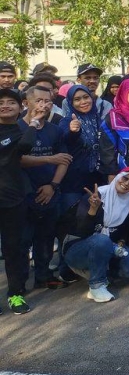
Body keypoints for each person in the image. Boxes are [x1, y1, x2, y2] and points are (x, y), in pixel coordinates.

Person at [63, 170, 129, 302]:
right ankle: (96, 286)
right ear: (118, 177)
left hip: (109, 247)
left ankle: (101, 272)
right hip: (77, 248)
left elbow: (125, 231)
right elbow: (81, 231)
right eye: (125, 178)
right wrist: (93, 209)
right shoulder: (95, 196)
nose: (126, 184)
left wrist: (120, 243)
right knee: (102, 240)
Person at [19, 86, 70, 290]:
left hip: (50, 193)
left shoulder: (55, 130)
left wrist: (52, 185)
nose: (44, 105)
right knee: (23, 242)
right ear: (26, 103)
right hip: (23, 195)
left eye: (48, 101)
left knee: (46, 239)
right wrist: (48, 158)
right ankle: (19, 284)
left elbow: (64, 160)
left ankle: (43, 276)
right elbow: (17, 160)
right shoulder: (16, 128)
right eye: (39, 100)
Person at [0, 88, 45, 314]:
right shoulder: (19, 132)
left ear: (20, 107)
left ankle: (15, 294)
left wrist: (35, 122)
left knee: (14, 249)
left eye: (11, 102)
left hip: (13, 198)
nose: (5, 105)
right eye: (1, 102)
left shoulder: (20, 131)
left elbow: (25, 147)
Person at [60, 85, 105, 219]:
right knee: (72, 219)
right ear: (71, 103)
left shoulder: (98, 119)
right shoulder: (67, 121)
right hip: (74, 181)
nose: (83, 102)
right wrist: (74, 131)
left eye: (86, 97)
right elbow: (66, 138)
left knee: (93, 218)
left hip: (97, 178)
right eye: (77, 99)